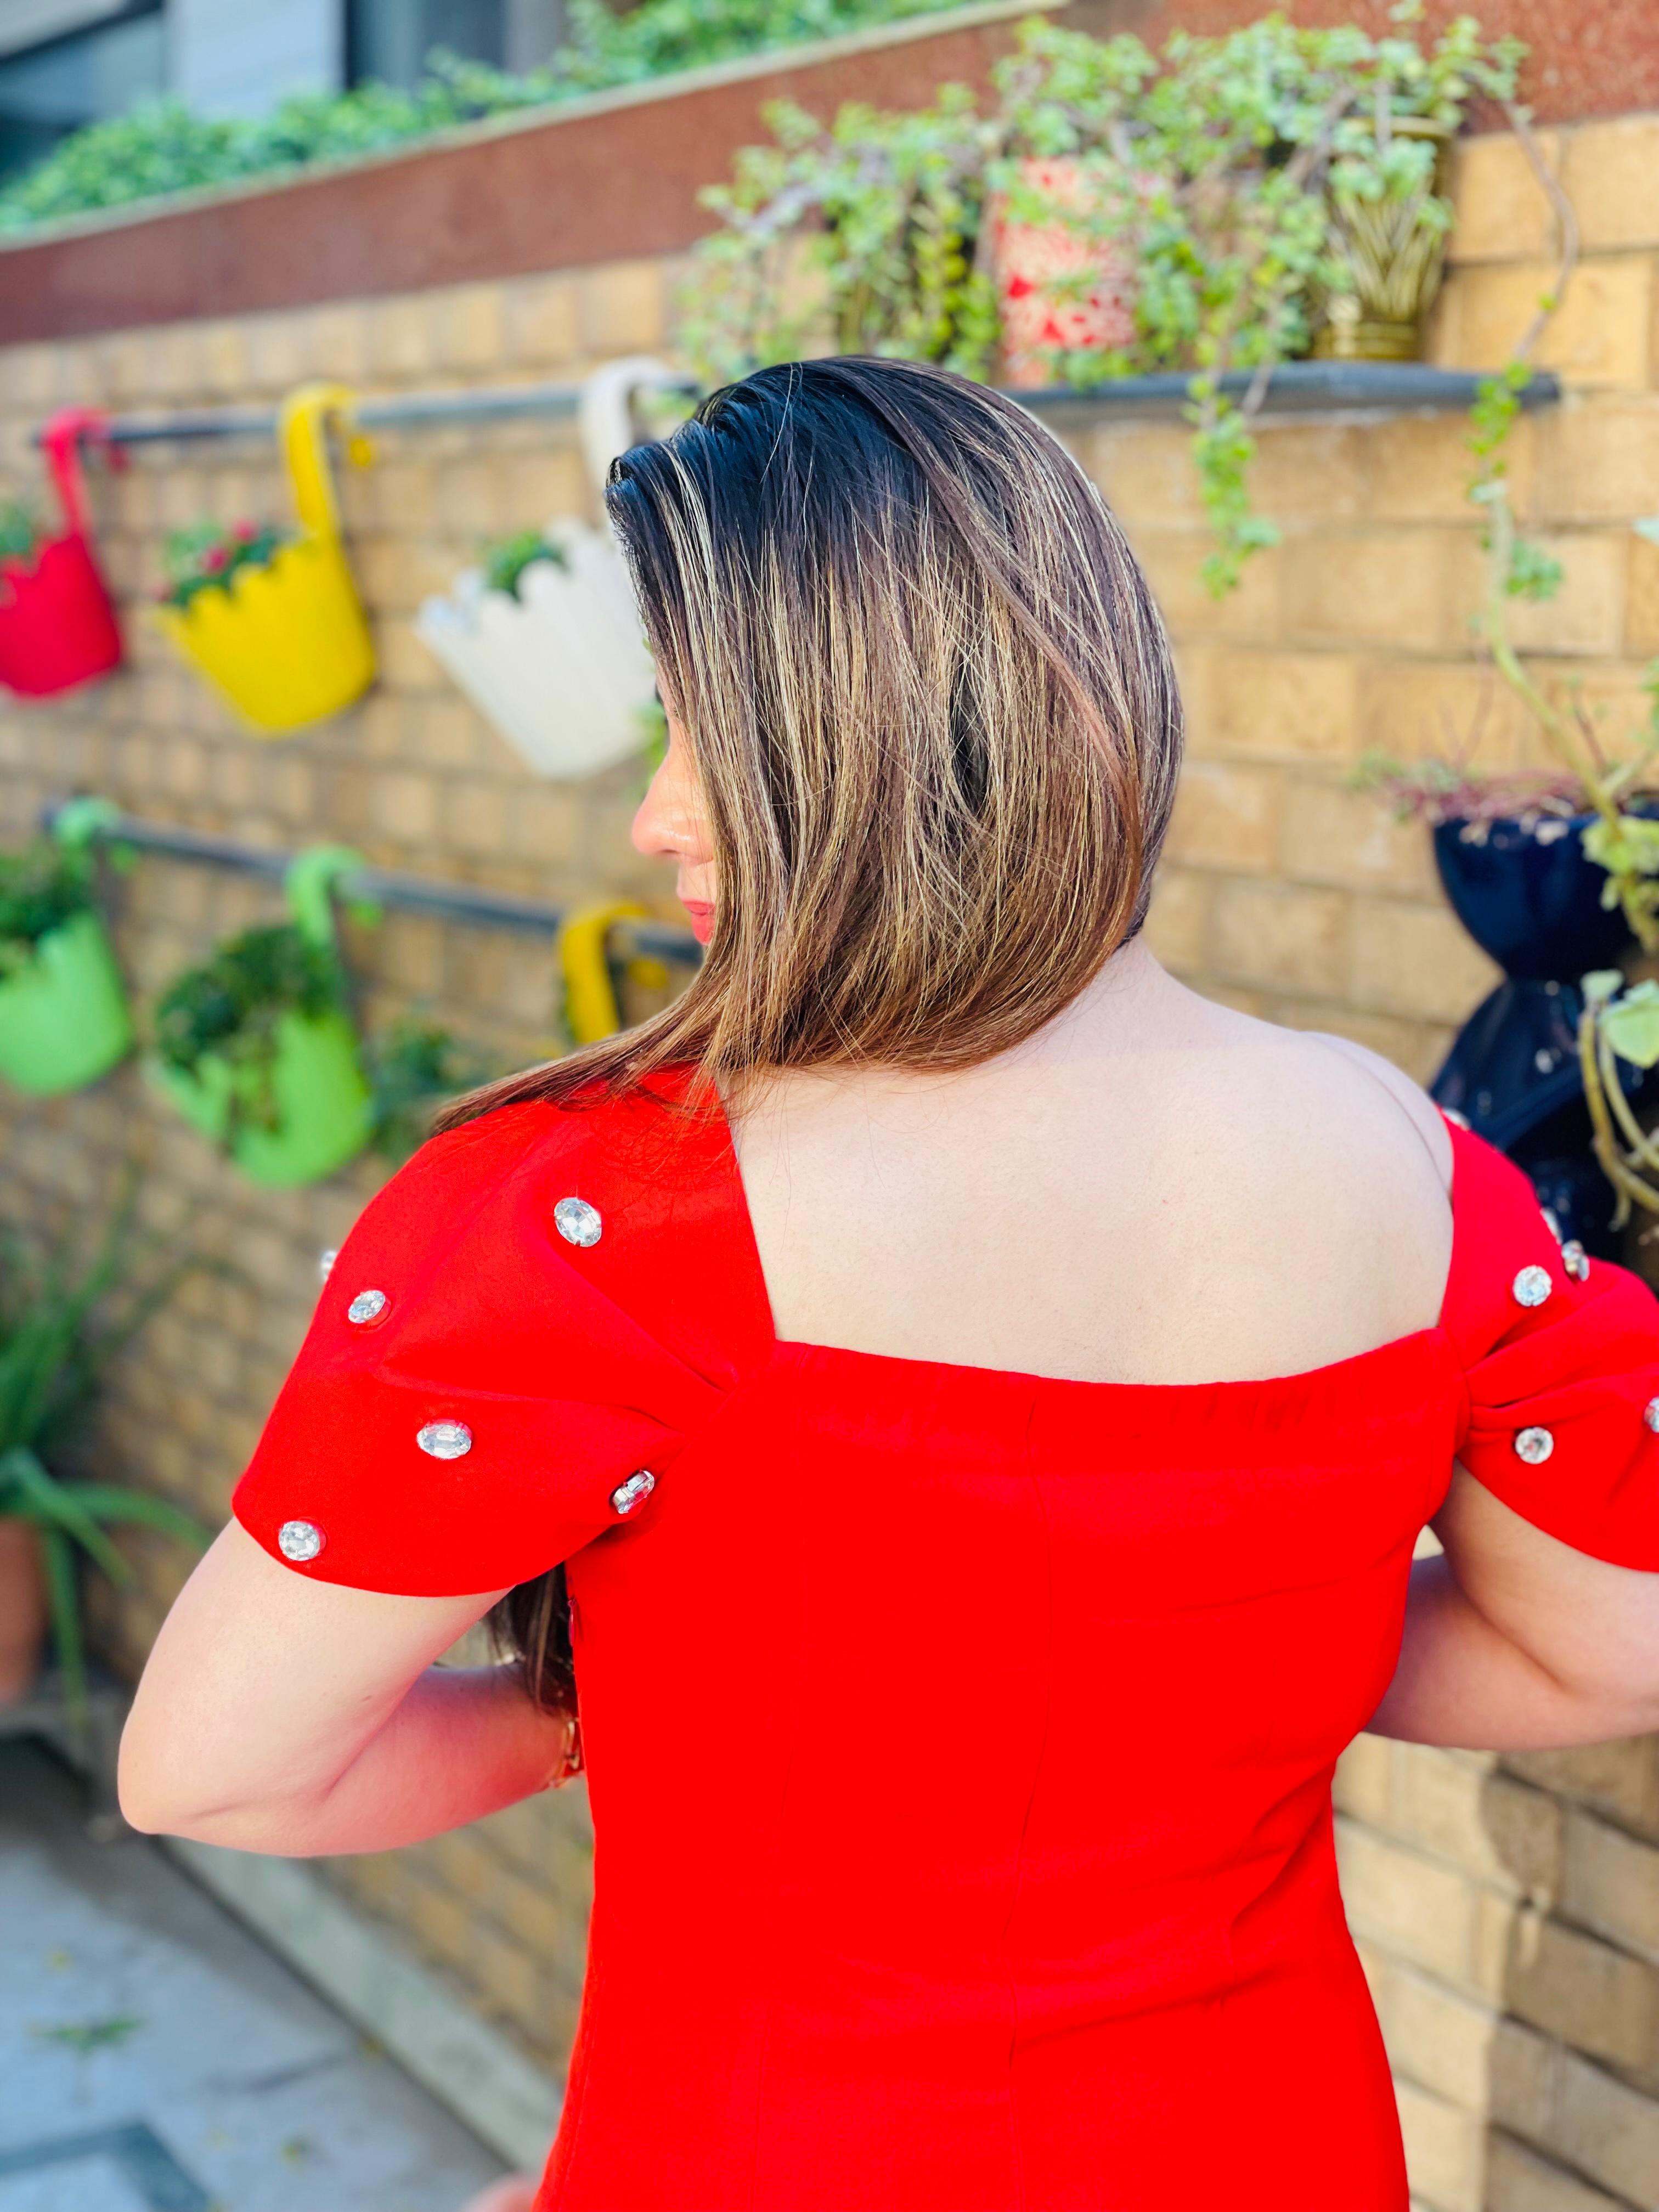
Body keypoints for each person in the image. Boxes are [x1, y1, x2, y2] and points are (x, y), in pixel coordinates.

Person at [119, 359, 1659, 2212]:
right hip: (1270, 2149)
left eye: (698, 731)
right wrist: (1230, 1642)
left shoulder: (602, 1220)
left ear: (865, 744)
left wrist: (616, 1698)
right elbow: (1605, 1648)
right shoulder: (1419, 1172)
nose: (658, 816)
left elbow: (214, 1773)